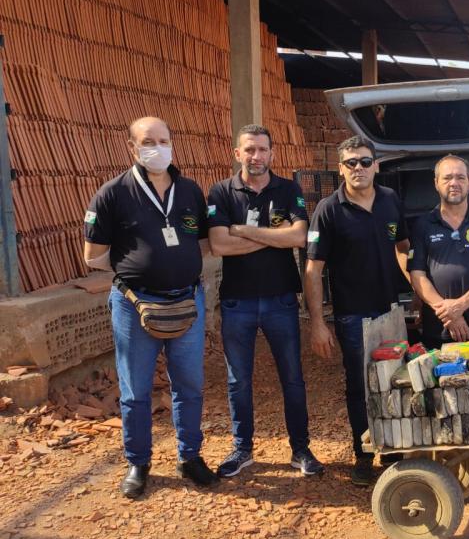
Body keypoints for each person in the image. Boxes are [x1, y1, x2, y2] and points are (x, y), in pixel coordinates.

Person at [82, 116, 218, 499]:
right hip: (134, 305)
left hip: (187, 301)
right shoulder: (112, 194)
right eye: (147, 141)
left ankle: (190, 456)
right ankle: (138, 462)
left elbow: (205, 242)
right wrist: (139, 270)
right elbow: (93, 256)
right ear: (131, 147)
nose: (156, 148)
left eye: (163, 140)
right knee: (135, 389)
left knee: (189, 385)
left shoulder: (190, 191)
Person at [207, 124, 323, 478]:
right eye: (249, 150)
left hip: (281, 300)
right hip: (236, 303)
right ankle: (242, 448)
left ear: (272, 154)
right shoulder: (221, 192)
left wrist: (242, 230)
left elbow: (300, 236)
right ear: (237, 154)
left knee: (292, 377)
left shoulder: (288, 189)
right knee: (238, 380)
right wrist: (275, 237)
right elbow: (219, 245)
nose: (256, 156)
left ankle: (300, 449)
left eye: (262, 150)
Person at [304, 135, 410, 487]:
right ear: (340, 169)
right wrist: (318, 324)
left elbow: (402, 247)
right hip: (353, 317)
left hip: (391, 312)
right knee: (360, 387)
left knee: (396, 380)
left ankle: (393, 448)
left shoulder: (391, 201)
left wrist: (420, 297)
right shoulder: (328, 210)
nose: (359, 168)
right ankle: (363, 455)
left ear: (376, 165)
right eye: (351, 163)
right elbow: (313, 270)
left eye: (365, 161)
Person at [408, 154, 469, 482]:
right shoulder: (423, 224)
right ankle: (447, 455)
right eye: (447, 177)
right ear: (436, 183)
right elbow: (418, 274)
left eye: (460, 177)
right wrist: (446, 312)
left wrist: (461, 306)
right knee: (441, 390)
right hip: (438, 327)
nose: (454, 183)